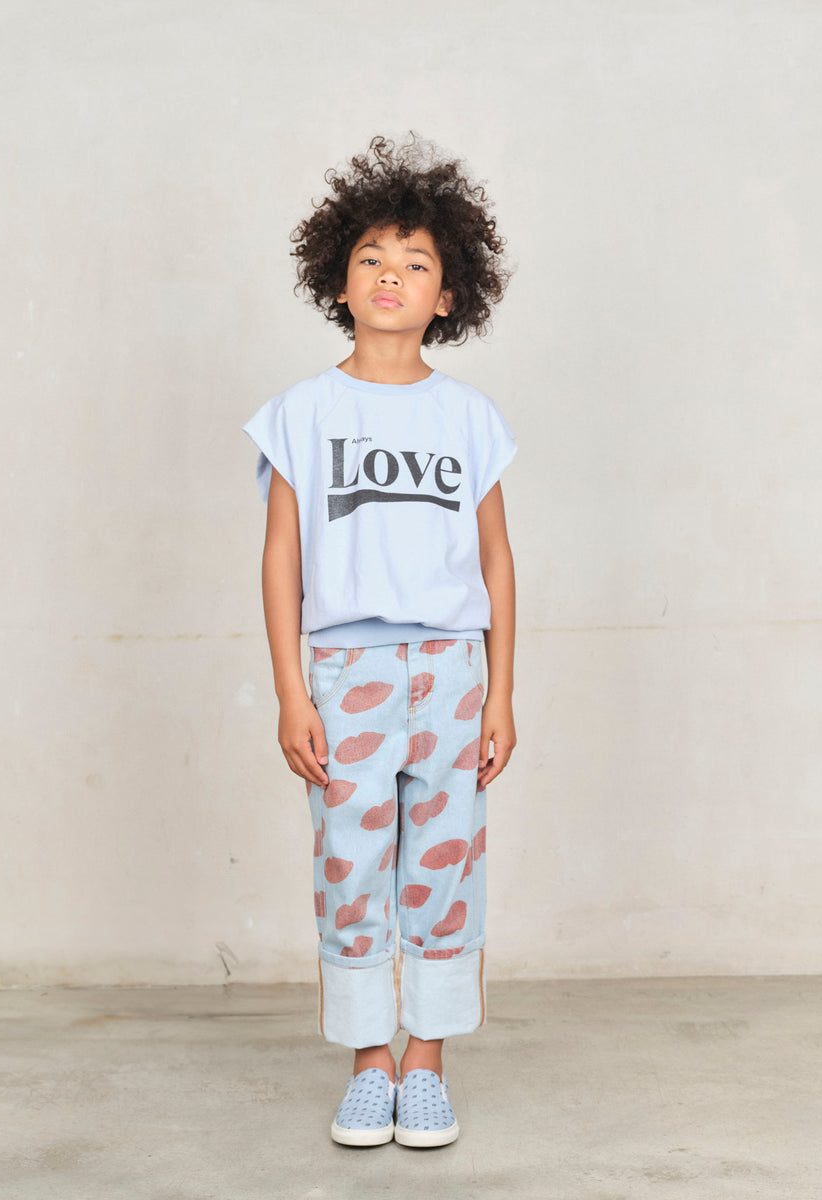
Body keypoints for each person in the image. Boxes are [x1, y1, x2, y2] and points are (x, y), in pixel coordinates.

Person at [242, 132, 518, 1148]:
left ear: (448, 295)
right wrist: (291, 691)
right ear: (338, 280)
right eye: (371, 258)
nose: (390, 275)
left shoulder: (470, 419)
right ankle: (368, 1064)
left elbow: (496, 562)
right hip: (343, 669)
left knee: (443, 870)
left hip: (449, 672)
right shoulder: (300, 415)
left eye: (415, 262)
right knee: (350, 865)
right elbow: (281, 558)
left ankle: (427, 1064)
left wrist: (499, 693)